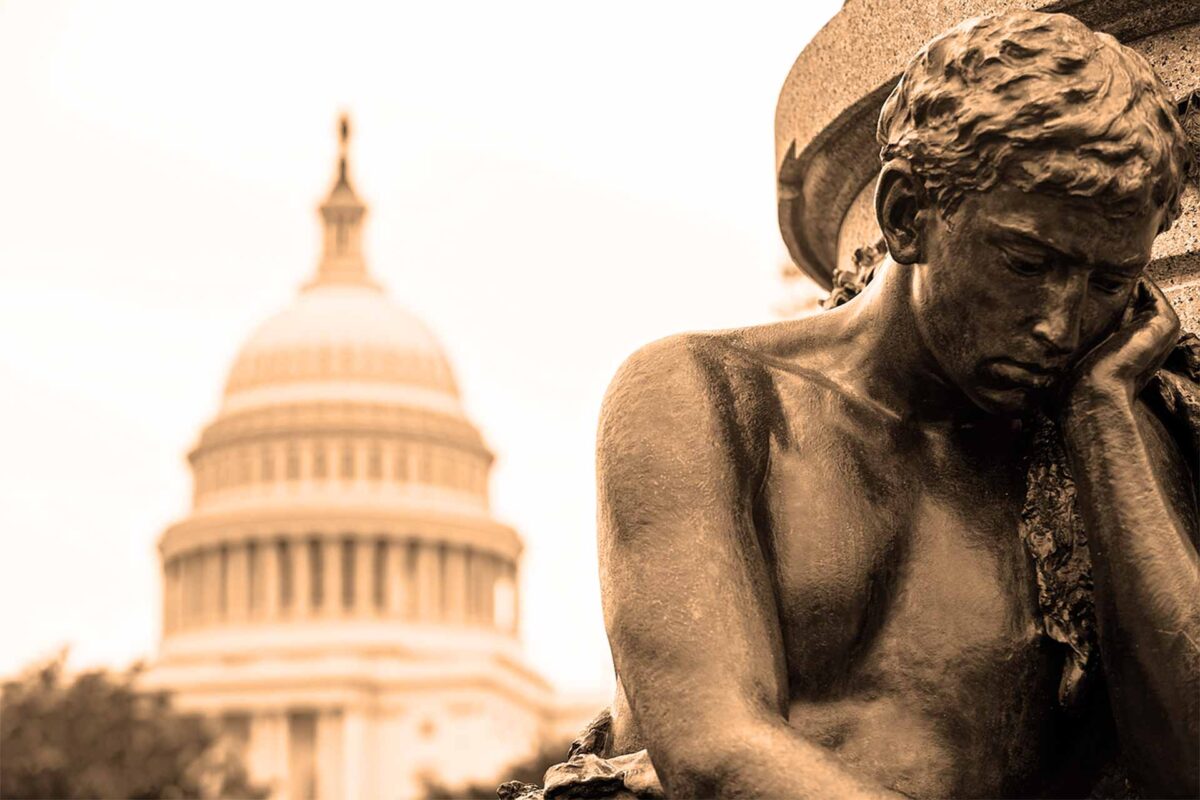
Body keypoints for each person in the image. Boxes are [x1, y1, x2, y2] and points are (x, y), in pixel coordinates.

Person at [591, 11, 1197, 799]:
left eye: (1108, 283)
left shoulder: (1100, 435)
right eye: (1025, 261)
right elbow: (717, 752)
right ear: (908, 212)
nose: (1059, 324)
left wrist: (1104, 419)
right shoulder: (707, 392)